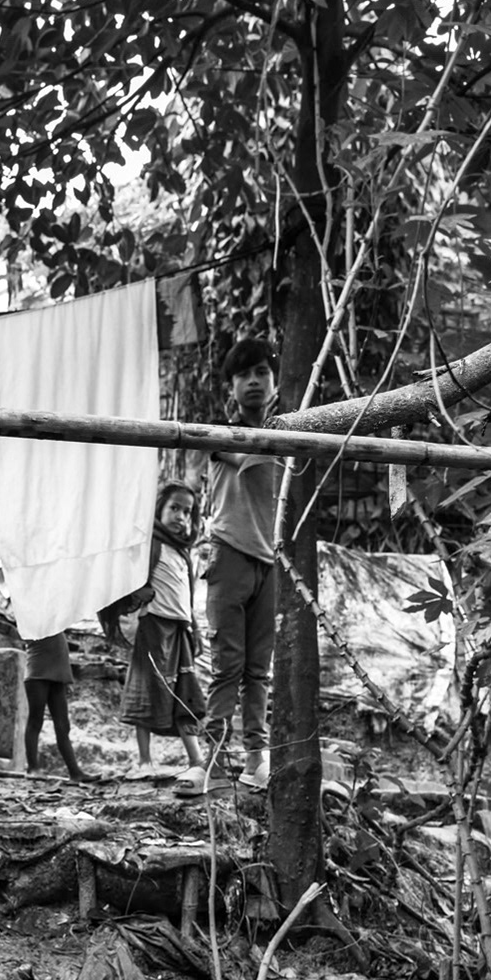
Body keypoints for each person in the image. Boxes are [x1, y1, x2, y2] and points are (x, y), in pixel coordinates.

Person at [177, 335, 281, 797]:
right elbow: (247, 456)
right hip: (227, 555)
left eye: (261, 372)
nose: (253, 382)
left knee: (259, 670)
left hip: (270, 561)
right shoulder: (224, 436)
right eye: (243, 376)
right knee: (227, 666)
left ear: (275, 380)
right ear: (231, 389)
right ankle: (209, 764)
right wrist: (289, 434)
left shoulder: (292, 433)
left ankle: (256, 760)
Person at [119, 479, 207, 776]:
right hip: (153, 627)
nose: (181, 516)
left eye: (187, 511)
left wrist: (194, 628)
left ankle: (196, 761)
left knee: (186, 692)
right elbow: (126, 578)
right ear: (159, 508)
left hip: (179, 631)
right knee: (148, 690)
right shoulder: (149, 544)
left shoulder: (183, 552)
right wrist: (137, 594)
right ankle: (145, 762)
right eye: (174, 508)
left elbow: (187, 595)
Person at [24, 631, 87, 780]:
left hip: (57, 675)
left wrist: (65, 677)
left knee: (63, 725)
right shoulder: (32, 617)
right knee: (35, 720)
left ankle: (75, 772)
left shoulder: (55, 620)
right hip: (37, 673)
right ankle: (32, 768)